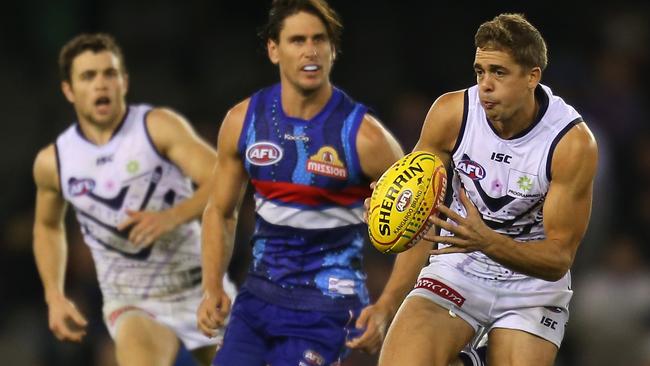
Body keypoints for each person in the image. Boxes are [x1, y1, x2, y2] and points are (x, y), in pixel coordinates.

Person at [195, 0, 416, 364]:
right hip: (258, 300)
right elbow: (220, 210)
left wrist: (387, 304)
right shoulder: (242, 122)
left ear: (333, 50)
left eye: (320, 40)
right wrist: (213, 286)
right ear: (273, 49)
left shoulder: (364, 137)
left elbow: (421, 228)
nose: (310, 51)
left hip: (327, 307)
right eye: (297, 40)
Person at [377, 13, 598, 366]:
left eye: (499, 72)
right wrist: (390, 208)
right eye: (480, 71)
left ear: (531, 77)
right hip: (459, 264)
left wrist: (488, 241)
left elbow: (558, 260)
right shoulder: (452, 113)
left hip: (531, 285)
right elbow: (419, 213)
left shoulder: (570, 143)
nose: (485, 85)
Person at [32, 33, 236, 366]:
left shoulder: (157, 128)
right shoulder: (53, 162)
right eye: (88, 76)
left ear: (123, 81)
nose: (101, 84)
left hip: (203, 289)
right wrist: (54, 295)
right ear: (68, 90)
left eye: (109, 74)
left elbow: (224, 180)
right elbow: (47, 226)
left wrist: (172, 216)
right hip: (134, 302)